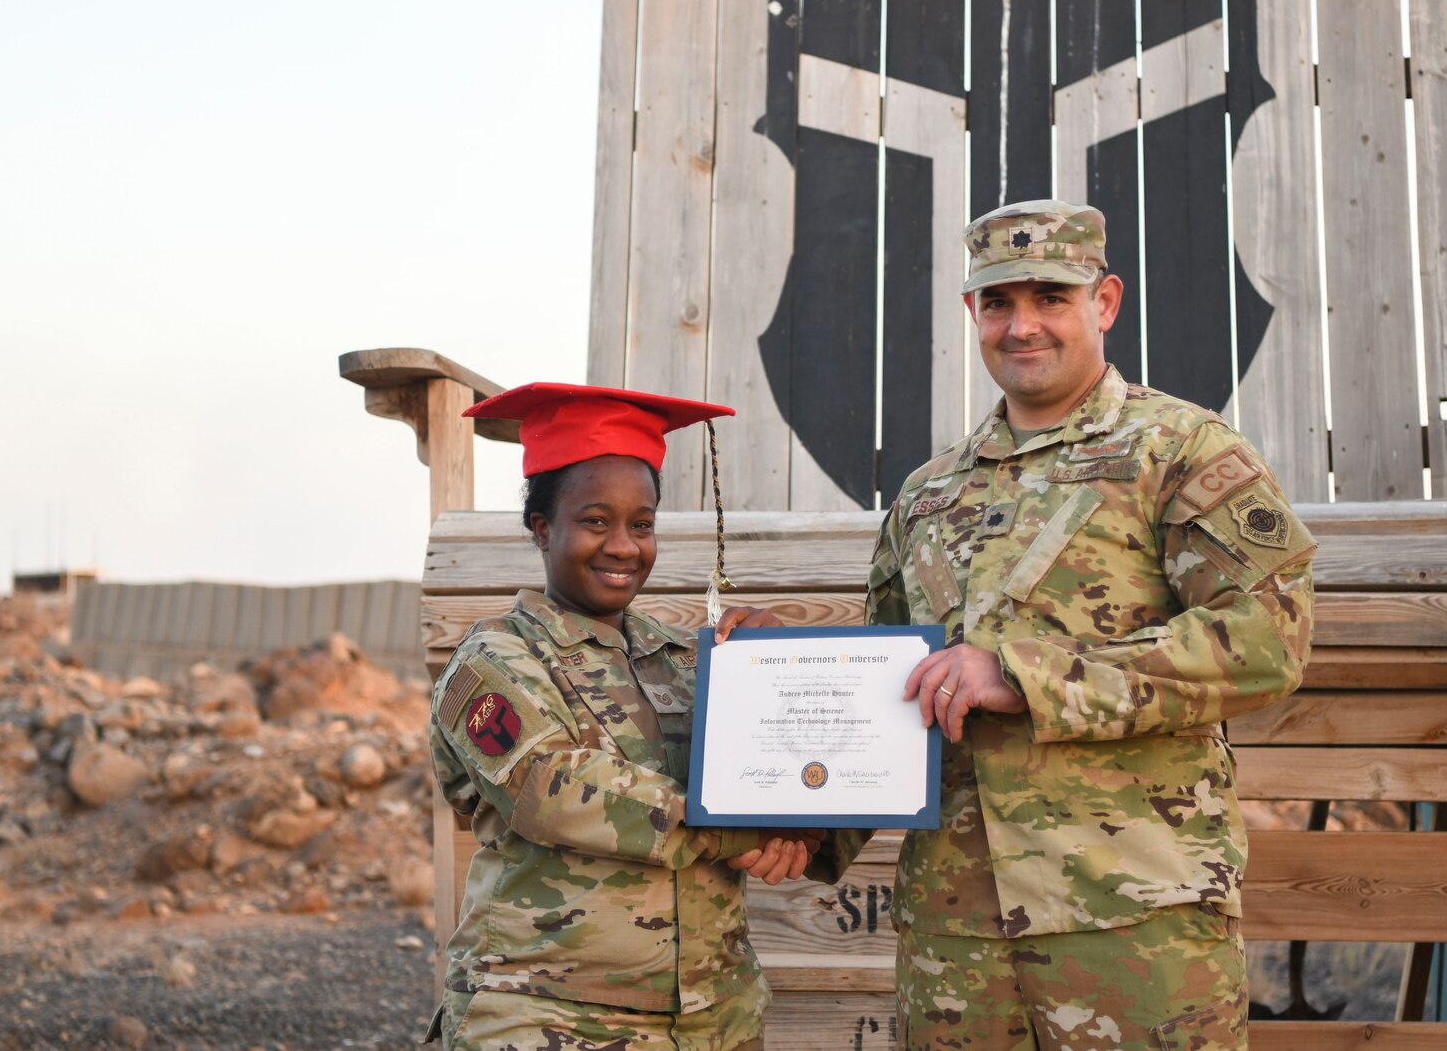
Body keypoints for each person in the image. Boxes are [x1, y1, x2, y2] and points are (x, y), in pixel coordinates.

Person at [839, 199, 1317, 1047]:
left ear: (1104, 302)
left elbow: (1266, 638)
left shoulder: (1182, 451)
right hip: (958, 934)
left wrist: (1023, 677)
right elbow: (884, 693)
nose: (1022, 325)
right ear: (972, 314)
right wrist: (777, 794)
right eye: (999, 303)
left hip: (1133, 920)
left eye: (1050, 297)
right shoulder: (926, 495)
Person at [427, 382, 817, 1051]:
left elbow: (778, 783)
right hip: (552, 1018)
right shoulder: (493, 659)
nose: (623, 546)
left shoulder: (687, 660)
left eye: (642, 524)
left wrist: (779, 673)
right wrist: (731, 829)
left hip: (711, 1020)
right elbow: (547, 787)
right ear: (542, 526)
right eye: (596, 520)